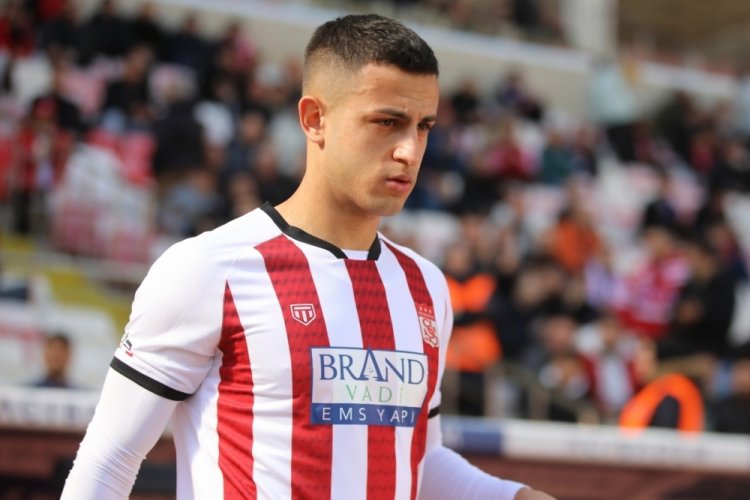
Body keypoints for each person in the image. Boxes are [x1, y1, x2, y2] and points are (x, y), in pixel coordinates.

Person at [61, 14, 554, 500]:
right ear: (315, 119)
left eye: (424, 126)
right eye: (387, 122)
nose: (410, 150)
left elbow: (418, 458)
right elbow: (108, 462)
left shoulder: (426, 286)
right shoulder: (209, 270)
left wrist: (516, 497)